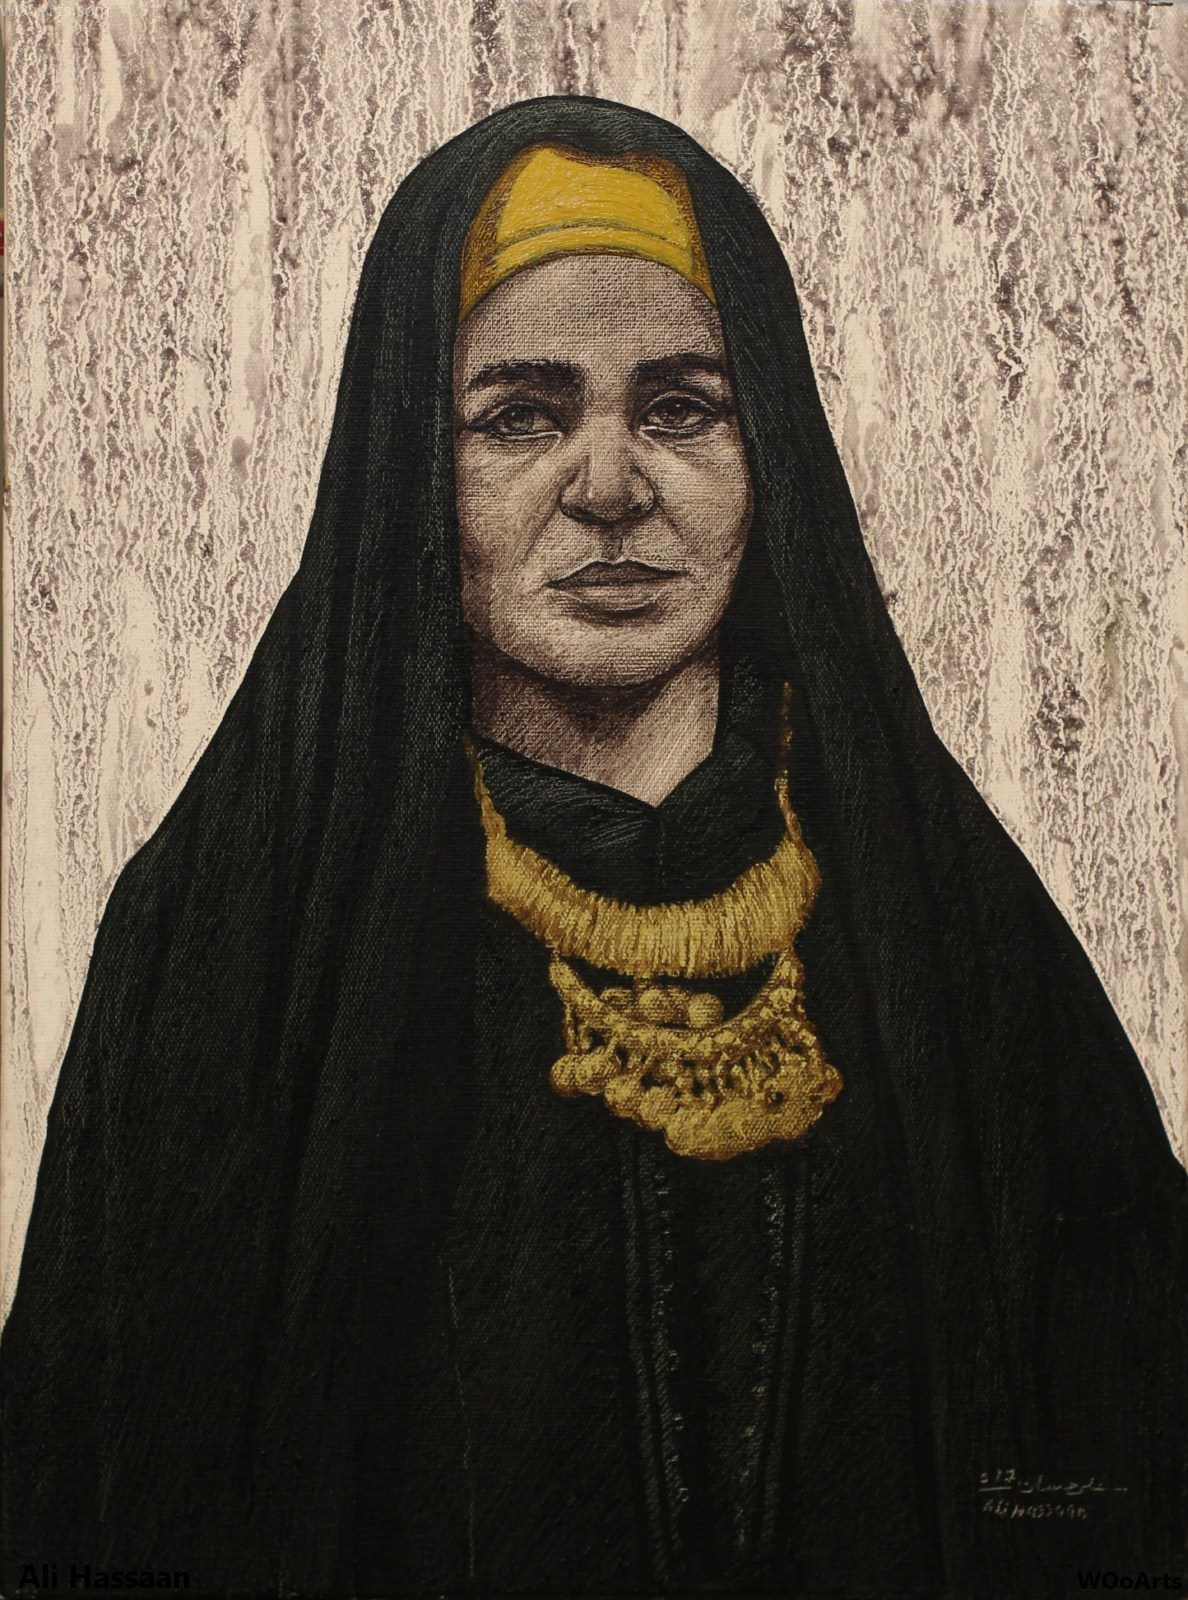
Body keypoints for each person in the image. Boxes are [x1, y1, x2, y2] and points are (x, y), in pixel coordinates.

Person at [2, 96, 1183, 1599]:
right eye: (520, 416)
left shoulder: (952, 921)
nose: (613, 489)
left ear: (772, 451)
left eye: (683, 408)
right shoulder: (232, 933)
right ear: (409, 465)